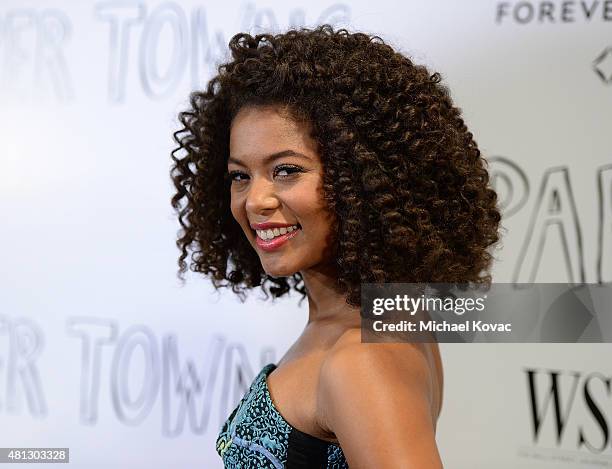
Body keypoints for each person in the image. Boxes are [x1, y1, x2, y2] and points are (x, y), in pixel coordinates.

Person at [170, 24, 501, 468]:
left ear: (363, 178)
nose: (256, 200)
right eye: (239, 176)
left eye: (286, 170)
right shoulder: (384, 316)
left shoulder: (363, 358)